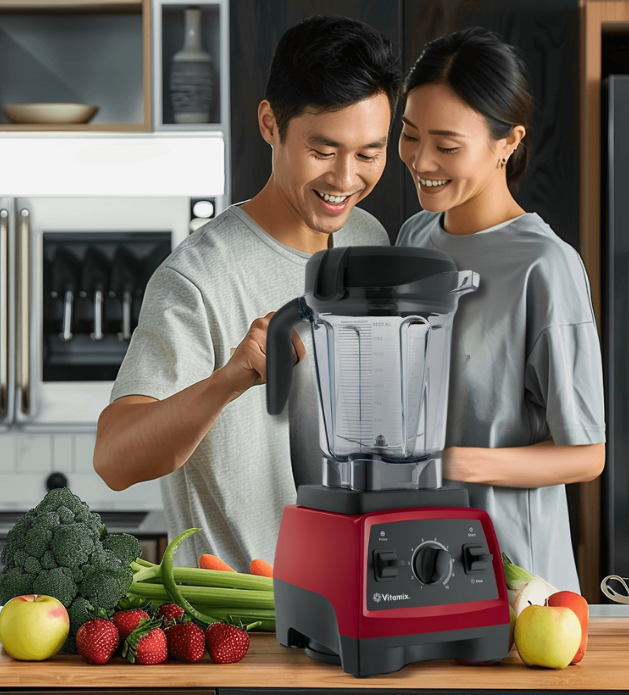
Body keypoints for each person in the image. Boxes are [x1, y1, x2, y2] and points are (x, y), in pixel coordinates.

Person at [94, 15, 400, 568]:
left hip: (351, 593)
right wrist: (232, 378)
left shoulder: (368, 238)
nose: (345, 178)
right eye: (324, 150)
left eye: (369, 153)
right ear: (270, 124)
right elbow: (114, 460)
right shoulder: (197, 278)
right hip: (243, 624)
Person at [396, 27, 605, 592]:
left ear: (507, 143)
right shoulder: (414, 237)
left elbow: (586, 454)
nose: (421, 160)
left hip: (516, 577)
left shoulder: (547, 266)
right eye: (410, 136)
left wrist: (460, 464)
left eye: (446, 144)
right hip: (419, 551)